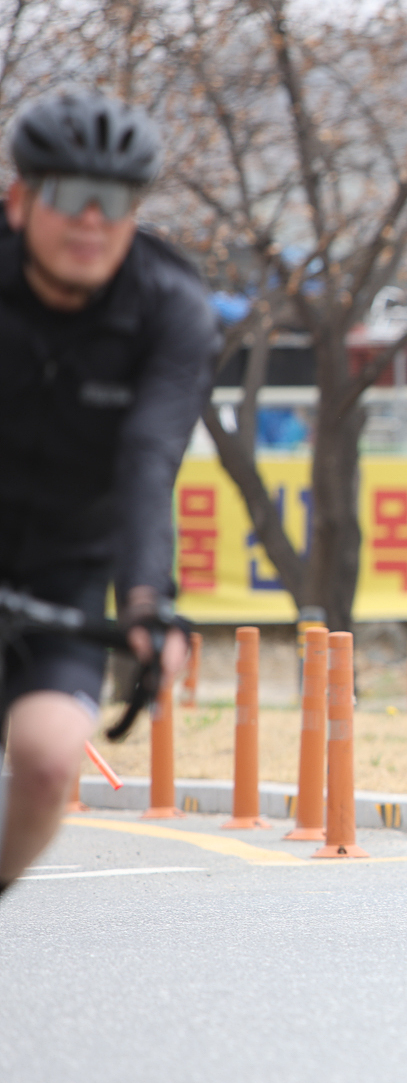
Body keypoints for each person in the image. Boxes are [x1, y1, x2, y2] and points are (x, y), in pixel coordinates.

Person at [0, 90, 219, 900]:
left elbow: (148, 458)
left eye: (116, 200)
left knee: (49, 759)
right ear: (20, 201)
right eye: (69, 194)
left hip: (66, 565)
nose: (92, 220)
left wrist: (147, 602)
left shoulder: (170, 307)